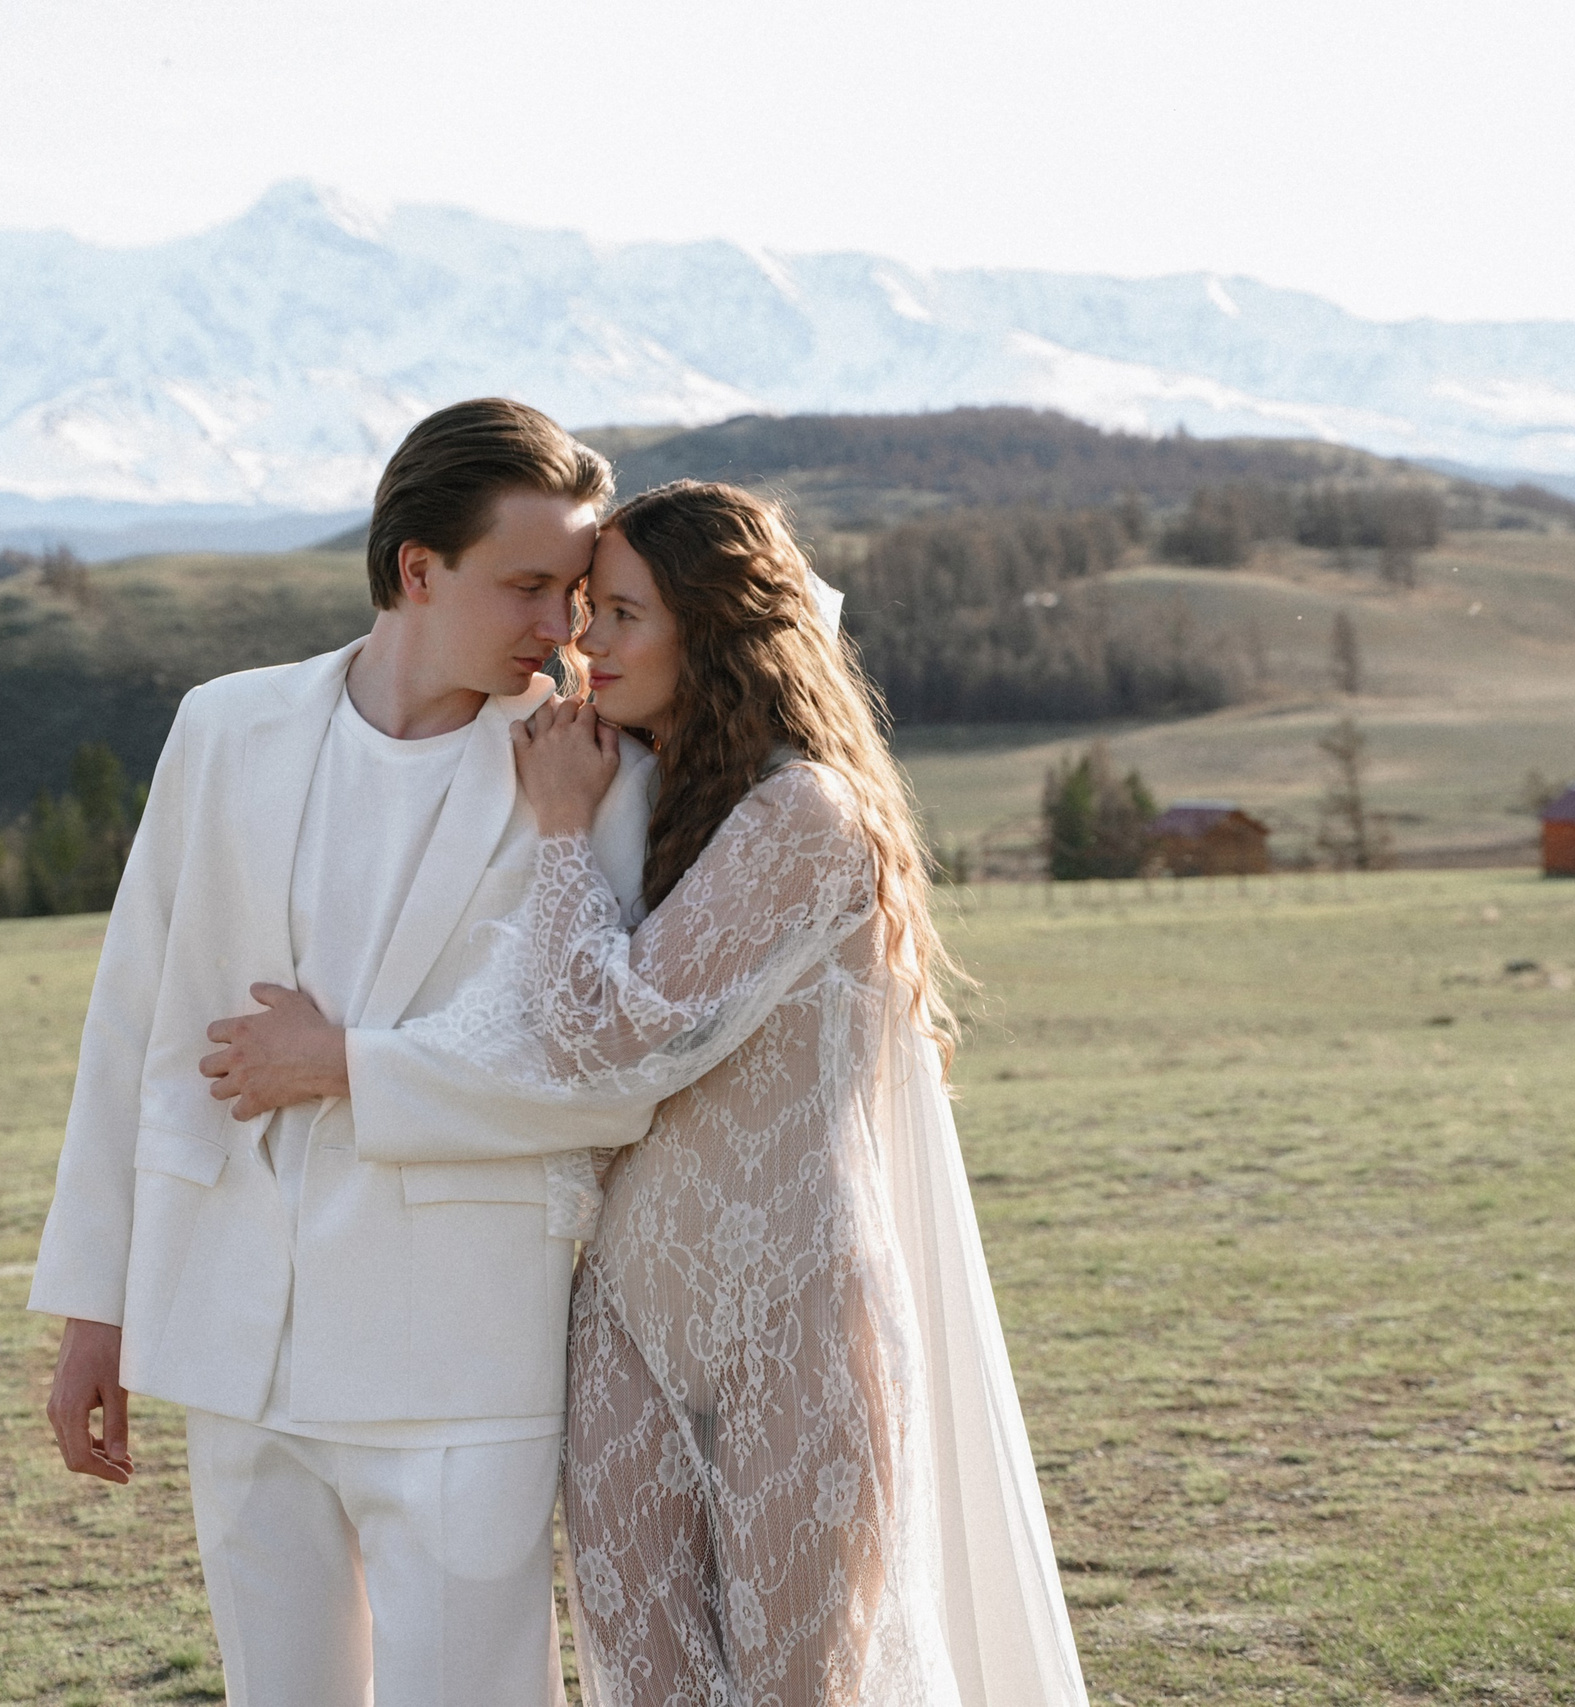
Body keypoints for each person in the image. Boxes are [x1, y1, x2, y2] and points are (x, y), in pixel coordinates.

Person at [237, 481, 1090, 1705]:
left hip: (796, 1320)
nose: (584, 642)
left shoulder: (809, 814)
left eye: (622, 614)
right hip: (623, 1327)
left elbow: (605, 1040)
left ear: (716, 628)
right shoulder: (645, 792)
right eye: (586, 609)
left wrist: (558, 828)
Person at [26, 398, 665, 1707]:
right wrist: (99, 1304)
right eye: (529, 586)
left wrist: (345, 1064)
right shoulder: (223, 727)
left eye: (575, 593)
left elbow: (600, 1069)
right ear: (418, 568)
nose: (563, 629)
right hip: (235, 1337)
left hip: (460, 1346)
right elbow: (140, 1019)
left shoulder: (592, 771)